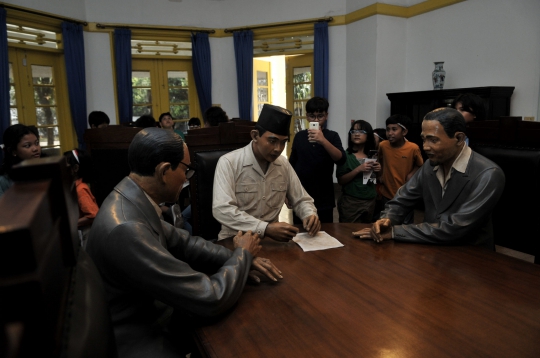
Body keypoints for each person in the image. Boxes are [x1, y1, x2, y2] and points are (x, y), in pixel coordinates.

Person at [86, 128, 281, 358]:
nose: (188, 178)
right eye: (186, 170)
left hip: (153, 312)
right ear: (164, 171)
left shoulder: (130, 197)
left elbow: (185, 242)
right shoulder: (127, 229)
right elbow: (210, 297)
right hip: (141, 336)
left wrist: (238, 258)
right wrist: (242, 255)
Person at [354, 108, 505, 249]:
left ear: (459, 138)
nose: (425, 147)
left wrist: (395, 232)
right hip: (431, 251)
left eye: (433, 140)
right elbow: (402, 199)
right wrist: (387, 219)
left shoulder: (488, 174)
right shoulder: (429, 166)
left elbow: (455, 227)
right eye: (424, 139)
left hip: (472, 259)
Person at [213, 104, 321, 242]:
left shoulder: (283, 164)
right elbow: (222, 210)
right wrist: (265, 228)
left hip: (271, 243)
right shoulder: (228, 163)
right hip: (234, 240)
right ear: (255, 136)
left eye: (283, 143)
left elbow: (301, 199)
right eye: (272, 141)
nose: (278, 149)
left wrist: (309, 215)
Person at [289, 97, 346, 223]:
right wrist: (288, 193)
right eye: (312, 116)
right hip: (301, 195)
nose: (316, 120)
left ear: (326, 116)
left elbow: (341, 159)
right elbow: (291, 165)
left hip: (324, 195)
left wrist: (323, 140)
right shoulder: (299, 137)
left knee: (326, 232)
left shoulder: (332, 136)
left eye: (320, 116)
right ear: (306, 116)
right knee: (300, 232)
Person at [377, 114, 423, 224]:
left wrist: (412, 173)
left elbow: (421, 165)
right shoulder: (383, 145)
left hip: (405, 194)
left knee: (405, 224)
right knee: (385, 222)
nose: (390, 133)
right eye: (388, 129)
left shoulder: (413, 148)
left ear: (404, 132)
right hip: (386, 193)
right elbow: (379, 160)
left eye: (394, 129)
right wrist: (380, 175)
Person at [336, 120, 381, 223]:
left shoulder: (372, 155)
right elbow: (341, 180)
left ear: (368, 135)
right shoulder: (345, 155)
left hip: (370, 199)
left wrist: (378, 170)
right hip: (351, 201)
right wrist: (358, 169)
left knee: (366, 231)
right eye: (353, 131)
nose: (356, 134)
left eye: (361, 131)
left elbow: (374, 179)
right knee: (348, 232)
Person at [64, 149, 99, 249]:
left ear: (75, 168)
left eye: (65, 165)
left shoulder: (80, 190)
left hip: (86, 233)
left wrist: (72, 224)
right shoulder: (73, 187)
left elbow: (93, 214)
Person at [0, 124, 42, 198]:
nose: (35, 149)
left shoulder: (46, 170)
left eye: (37, 143)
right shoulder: (4, 180)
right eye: (27, 146)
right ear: (13, 151)